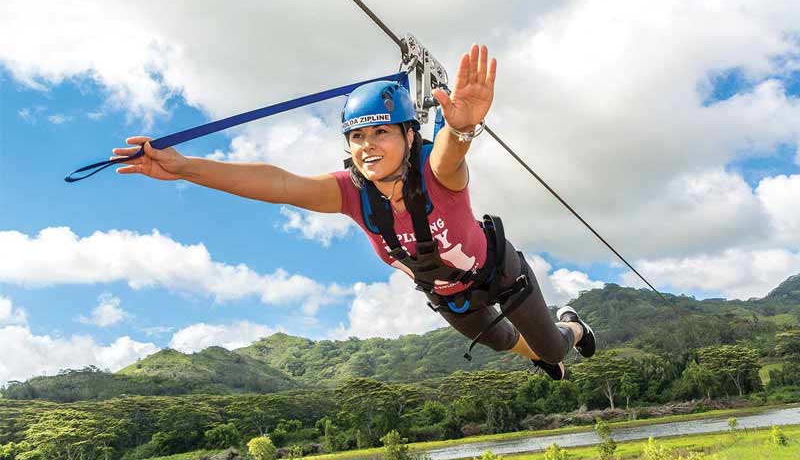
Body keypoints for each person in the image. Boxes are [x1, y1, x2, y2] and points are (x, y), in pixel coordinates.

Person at [112, 43, 595, 379]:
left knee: (554, 346)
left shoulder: (436, 171)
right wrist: (183, 168)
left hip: (498, 272)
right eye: (357, 136)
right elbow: (277, 183)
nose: (368, 146)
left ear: (409, 135)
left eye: (381, 132)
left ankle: (570, 324)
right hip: (448, 292)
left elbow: (451, 148)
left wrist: (464, 128)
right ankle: (539, 353)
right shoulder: (351, 193)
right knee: (500, 340)